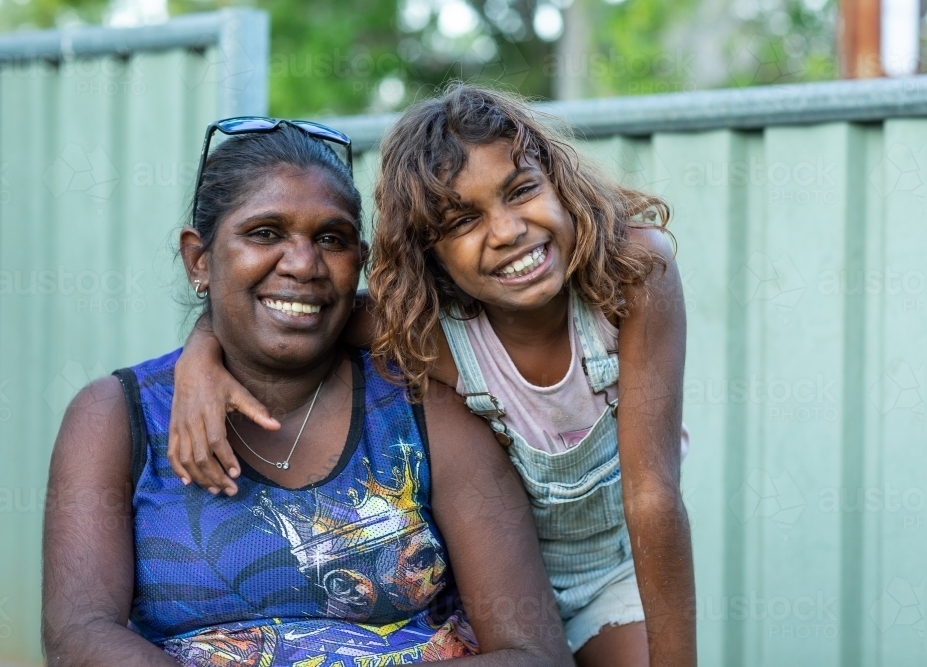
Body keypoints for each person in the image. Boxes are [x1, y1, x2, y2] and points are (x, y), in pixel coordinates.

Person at [169, 84, 696, 667]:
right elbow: (297, 309)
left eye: (521, 191)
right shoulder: (434, 333)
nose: (506, 231)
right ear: (429, 253)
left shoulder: (629, 277)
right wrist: (200, 355)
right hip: (486, 591)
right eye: (464, 220)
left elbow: (651, 494)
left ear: (560, 184)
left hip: (612, 577)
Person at [40, 120, 573, 667]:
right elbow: (79, 636)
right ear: (199, 259)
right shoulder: (114, 417)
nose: (303, 264)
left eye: (331, 239)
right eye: (265, 233)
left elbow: (535, 653)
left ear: (359, 262)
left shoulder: (424, 407)